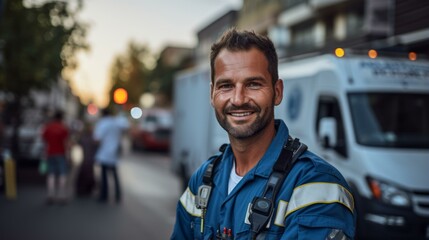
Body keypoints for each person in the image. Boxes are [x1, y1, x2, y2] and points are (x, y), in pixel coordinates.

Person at [171, 28, 356, 239]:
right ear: (212, 94)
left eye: (253, 84)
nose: (238, 99)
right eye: (226, 86)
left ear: (277, 92)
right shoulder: (203, 180)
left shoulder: (317, 187)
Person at [93, 108, 129, 203]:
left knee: (104, 175)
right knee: (115, 175)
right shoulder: (116, 122)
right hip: (114, 152)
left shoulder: (102, 123)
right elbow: (126, 128)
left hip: (105, 152)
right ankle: (118, 195)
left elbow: (97, 139)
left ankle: (104, 195)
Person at [42, 110, 70, 205]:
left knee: (51, 173)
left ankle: (50, 194)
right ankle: (62, 195)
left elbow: (44, 140)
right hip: (61, 153)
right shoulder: (63, 128)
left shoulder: (48, 127)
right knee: (62, 174)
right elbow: (66, 142)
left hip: (50, 152)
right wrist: (68, 154)